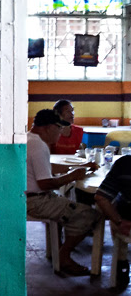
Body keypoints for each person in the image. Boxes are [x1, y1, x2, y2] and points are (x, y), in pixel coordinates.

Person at [27, 109, 100, 276]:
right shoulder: (38, 145)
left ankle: (59, 251)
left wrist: (77, 168)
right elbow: (45, 183)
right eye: (59, 128)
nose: (61, 133)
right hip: (35, 201)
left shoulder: (30, 139)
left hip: (28, 197)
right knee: (90, 215)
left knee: (69, 204)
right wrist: (71, 176)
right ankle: (64, 256)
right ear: (48, 127)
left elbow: (47, 168)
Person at [94, 155, 131, 291]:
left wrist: (119, 221)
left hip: (127, 226)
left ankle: (121, 264)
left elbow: (101, 197)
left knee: (113, 206)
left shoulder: (125, 163)